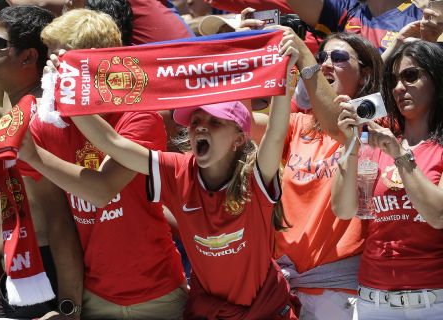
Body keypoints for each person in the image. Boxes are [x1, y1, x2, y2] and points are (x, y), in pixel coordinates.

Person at [46, 27, 301, 319]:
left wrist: (286, 74)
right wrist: (68, 89)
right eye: (194, 121)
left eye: (215, 122)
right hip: (209, 313)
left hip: (264, 312)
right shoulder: (176, 170)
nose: (200, 126)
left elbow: (277, 132)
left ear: (239, 138)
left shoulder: (255, 178)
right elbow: (111, 143)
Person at [19, 8, 188, 319]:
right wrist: (70, 308)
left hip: (159, 293)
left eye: (61, 59)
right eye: (50, 58)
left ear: (95, 60)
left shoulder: (138, 116)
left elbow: (102, 190)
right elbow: (59, 223)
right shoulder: (47, 122)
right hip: (94, 296)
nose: (51, 68)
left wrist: (31, 154)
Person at [0, 6, 83, 319]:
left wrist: (69, 310)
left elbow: (60, 223)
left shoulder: (38, 117)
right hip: (17, 275)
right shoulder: (11, 96)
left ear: (29, 58)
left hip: (49, 279)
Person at [272, 32, 383, 320]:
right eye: (322, 57)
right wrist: (255, 56)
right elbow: (240, 126)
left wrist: (306, 58)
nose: (326, 64)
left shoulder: (376, 121)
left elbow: (338, 126)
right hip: (286, 289)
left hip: (339, 295)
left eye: (340, 58)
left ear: (365, 74)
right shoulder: (299, 124)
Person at [331, 40, 443, 319]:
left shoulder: (402, 146)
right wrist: (351, 144)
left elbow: (438, 214)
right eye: (393, 80)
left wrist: (397, 153)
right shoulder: (375, 145)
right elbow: (343, 210)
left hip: (434, 301)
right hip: (373, 301)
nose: (398, 88)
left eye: (411, 76)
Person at [285, 0, 443, 53]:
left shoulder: (423, 20)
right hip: (344, 117)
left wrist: (430, 41)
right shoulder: (346, 8)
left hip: (392, 121)